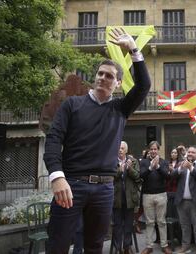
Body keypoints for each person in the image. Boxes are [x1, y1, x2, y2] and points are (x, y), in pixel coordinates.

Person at [43, 27, 150, 253]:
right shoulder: (72, 104)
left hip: (104, 190)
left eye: (109, 75)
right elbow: (53, 139)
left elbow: (144, 86)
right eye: (100, 73)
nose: (103, 77)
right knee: (58, 244)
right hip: (71, 184)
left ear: (118, 83)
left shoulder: (120, 109)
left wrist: (133, 49)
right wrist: (57, 177)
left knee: (95, 246)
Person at [171, 146, 196, 254]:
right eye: (189, 152)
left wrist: (191, 168)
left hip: (195, 202)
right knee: (184, 226)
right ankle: (185, 246)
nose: (190, 153)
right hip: (182, 201)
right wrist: (179, 169)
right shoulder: (181, 164)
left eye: (193, 152)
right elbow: (172, 176)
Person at [140, 141, 172, 254]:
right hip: (147, 195)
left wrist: (157, 167)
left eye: (155, 149)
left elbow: (168, 177)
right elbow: (141, 176)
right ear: (149, 150)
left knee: (162, 222)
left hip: (161, 195)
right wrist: (150, 168)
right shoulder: (143, 162)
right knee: (149, 222)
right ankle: (149, 246)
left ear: (158, 150)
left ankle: (164, 245)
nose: (153, 151)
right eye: (151, 149)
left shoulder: (164, 162)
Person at [112, 141, 141, 254]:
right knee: (117, 224)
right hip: (116, 198)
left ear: (126, 150)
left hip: (130, 198)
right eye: (118, 148)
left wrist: (129, 169)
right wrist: (120, 170)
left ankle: (127, 247)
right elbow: (110, 177)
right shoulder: (112, 161)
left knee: (128, 224)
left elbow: (137, 176)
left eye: (122, 148)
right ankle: (118, 247)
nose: (120, 150)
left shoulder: (133, 161)